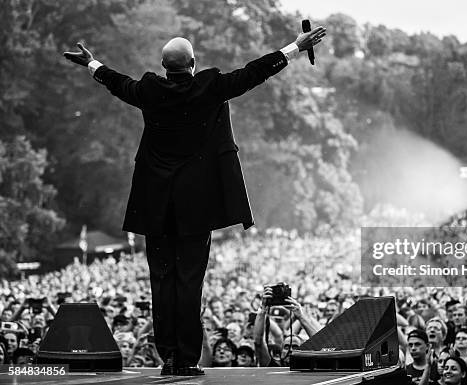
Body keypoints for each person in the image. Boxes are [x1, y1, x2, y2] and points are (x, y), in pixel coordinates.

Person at [63, 26, 326, 376]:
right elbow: (254, 72)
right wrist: (295, 47)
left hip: (155, 204)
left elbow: (119, 83)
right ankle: (186, 358)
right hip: (196, 206)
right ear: (193, 63)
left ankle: (168, 356)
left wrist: (91, 62)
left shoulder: (150, 90)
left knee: (161, 280)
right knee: (189, 281)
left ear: (162, 65)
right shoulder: (210, 86)